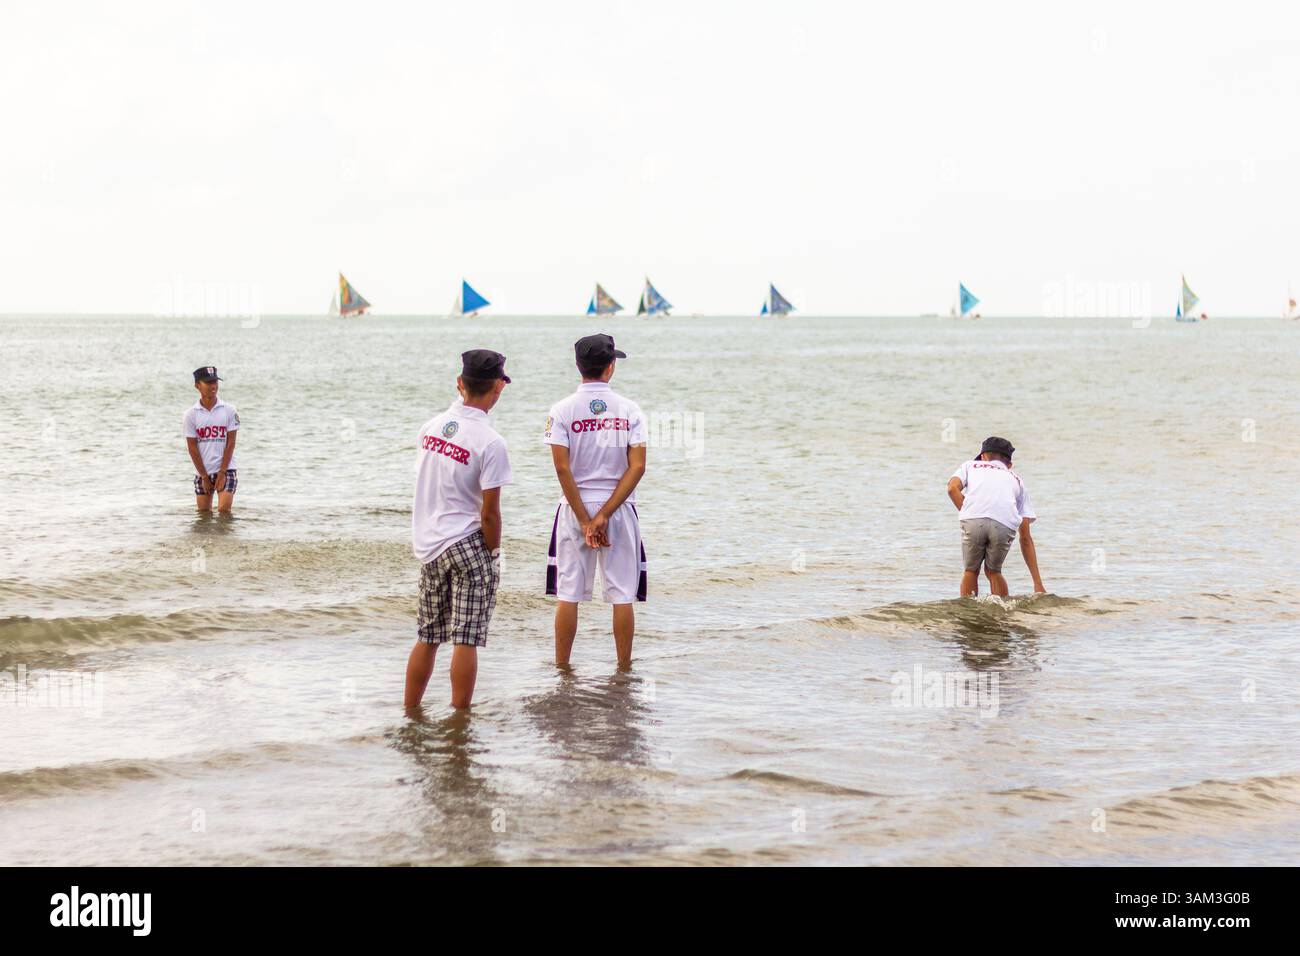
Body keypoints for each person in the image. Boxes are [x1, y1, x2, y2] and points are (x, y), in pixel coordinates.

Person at [405, 349, 513, 710]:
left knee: (427, 636)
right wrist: (494, 553)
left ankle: (411, 710)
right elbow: (490, 515)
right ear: (498, 387)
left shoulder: (431, 427)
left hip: (430, 546)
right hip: (468, 543)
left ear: (459, 383)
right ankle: (459, 719)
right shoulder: (491, 442)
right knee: (465, 639)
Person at [544, 333, 647, 668]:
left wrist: (587, 519)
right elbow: (638, 466)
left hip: (575, 506)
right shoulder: (630, 410)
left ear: (579, 367)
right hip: (618, 507)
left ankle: (562, 669)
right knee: (621, 594)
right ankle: (623, 669)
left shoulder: (561, 410)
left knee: (568, 592)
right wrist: (604, 515)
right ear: (611, 366)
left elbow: (561, 468)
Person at [946, 436, 1045, 598]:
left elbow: (952, 489)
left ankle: (969, 614)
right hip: (1004, 524)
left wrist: (968, 511)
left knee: (971, 570)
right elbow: (1026, 537)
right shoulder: (1017, 480)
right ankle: (1003, 612)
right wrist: (1037, 583)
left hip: (973, 519)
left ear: (983, 456)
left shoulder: (970, 465)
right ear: (1009, 465)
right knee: (993, 571)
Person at [183, 366, 239, 513]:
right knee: (204, 516)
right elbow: (192, 448)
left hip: (226, 469)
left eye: (215, 381)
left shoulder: (229, 410)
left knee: (224, 511)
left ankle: (224, 537)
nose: (213, 386)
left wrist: (222, 472)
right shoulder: (190, 414)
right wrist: (204, 476)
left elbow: (231, 443)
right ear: (197, 386)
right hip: (203, 471)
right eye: (208, 383)